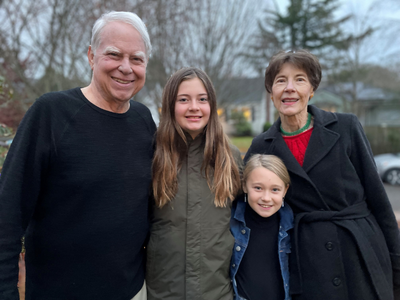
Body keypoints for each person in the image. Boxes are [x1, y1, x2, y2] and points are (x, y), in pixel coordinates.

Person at [0, 11, 155, 300]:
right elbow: (7, 215)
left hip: (132, 292)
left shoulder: (144, 120)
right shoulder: (51, 114)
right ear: (91, 56)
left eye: (136, 59)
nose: (126, 67)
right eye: (114, 55)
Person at [245, 49, 400, 300]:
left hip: (360, 253)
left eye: (300, 79)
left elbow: (379, 198)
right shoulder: (261, 146)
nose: (289, 88)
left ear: (312, 89)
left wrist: (396, 265)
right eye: (280, 81)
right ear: (271, 92)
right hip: (307, 263)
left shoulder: (346, 127)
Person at [147, 67, 243, 300]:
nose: (194, 107)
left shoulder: (229, 157)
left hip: (217, 291)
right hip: (163, 292)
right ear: (170, 105)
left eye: (202, 99)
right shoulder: (153, 154)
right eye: (183, 99)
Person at [230, 154, 293, 300]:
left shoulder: (292, 226)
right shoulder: (230, 221)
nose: (266, 197)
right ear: (245, 186)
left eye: (275, 190)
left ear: (285, 190)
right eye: (258, 188)